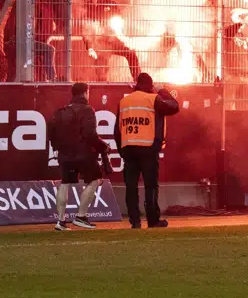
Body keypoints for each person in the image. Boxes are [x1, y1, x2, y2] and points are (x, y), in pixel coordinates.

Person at [114, 71, 179, 229]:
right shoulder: (153, 99)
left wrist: (122, 150)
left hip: (128, 149)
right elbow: (174, 106)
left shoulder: (124, 101)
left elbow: (117, 130)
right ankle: (152, 220)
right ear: (150, 86)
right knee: (150, 186)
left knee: (131, 186)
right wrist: (162, 90)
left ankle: (135, 221)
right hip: (148, 148)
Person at [47, 81, 112, 230]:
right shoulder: (88, 110)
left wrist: (58, 148)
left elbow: (51, 132)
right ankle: (81, 216)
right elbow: (90, 134)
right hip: (83, 154)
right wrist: (103, 147)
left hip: (65, 155)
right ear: (84, 93)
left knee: (65, 184)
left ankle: (61, 221)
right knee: (94, 180)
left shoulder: (61, 111)